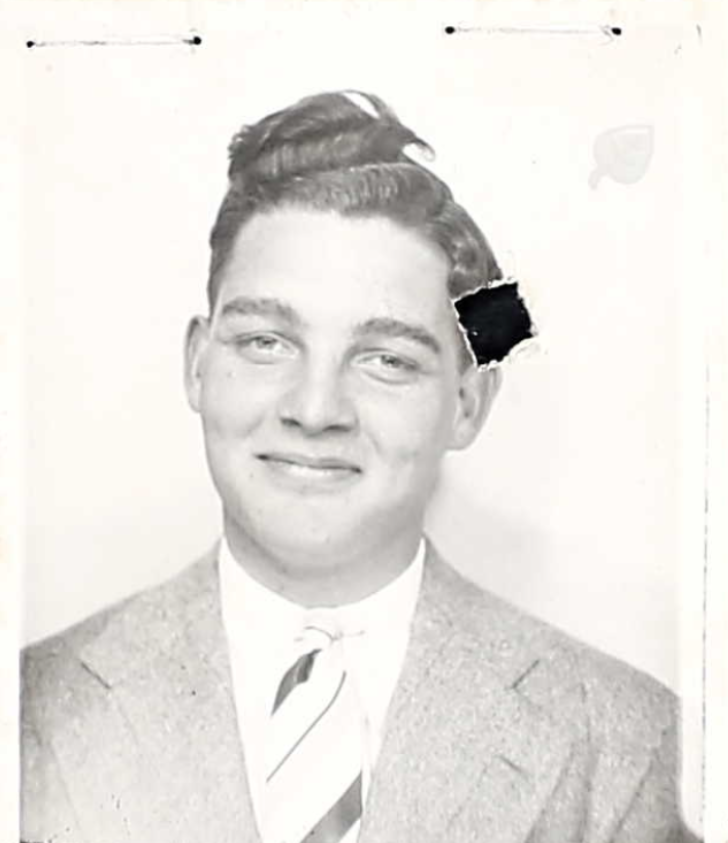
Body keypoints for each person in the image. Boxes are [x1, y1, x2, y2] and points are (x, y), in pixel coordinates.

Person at [21, 91, 697, 843]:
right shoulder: (30, 710)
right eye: (266, 343)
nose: (315, 410)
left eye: (386, 359)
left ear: (467, 403)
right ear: (198, 365)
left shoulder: (629, 746)